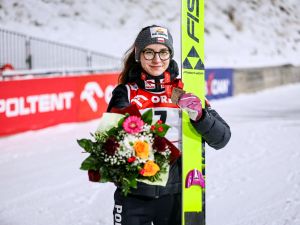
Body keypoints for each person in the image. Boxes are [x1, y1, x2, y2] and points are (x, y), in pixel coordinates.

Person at [106, 25, 231, 225]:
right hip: (134, 197)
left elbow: (222, 138)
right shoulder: (126, 93)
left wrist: (200, 116)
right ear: (139, 54)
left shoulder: (187, 90)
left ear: (170, 55)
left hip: (178, 196)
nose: (157, 59)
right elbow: (109, 143)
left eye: (163, 52)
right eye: (149, 52)